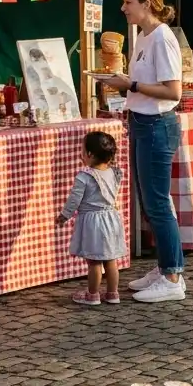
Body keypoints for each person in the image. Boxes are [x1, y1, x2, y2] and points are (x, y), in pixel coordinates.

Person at [105, 0, 184, 303]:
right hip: (142, 122)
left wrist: (131, 86)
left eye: (128, 2)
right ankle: (166, 265)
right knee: (151, 202)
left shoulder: (162, 38)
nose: (123, 8)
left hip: (156, 124)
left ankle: (172, 276)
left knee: (158, 203)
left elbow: (173, 90)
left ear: (147, 3)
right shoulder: (143, 36)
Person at [56, 130, 126, 306]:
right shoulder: (114, 172)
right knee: (111, 259)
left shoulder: (84, 177)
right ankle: (113, 293)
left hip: (93, 222)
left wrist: (64, 216)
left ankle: (93, 295)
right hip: (111, 218)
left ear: (89, 154)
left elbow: (74, 200)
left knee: (94, 261)